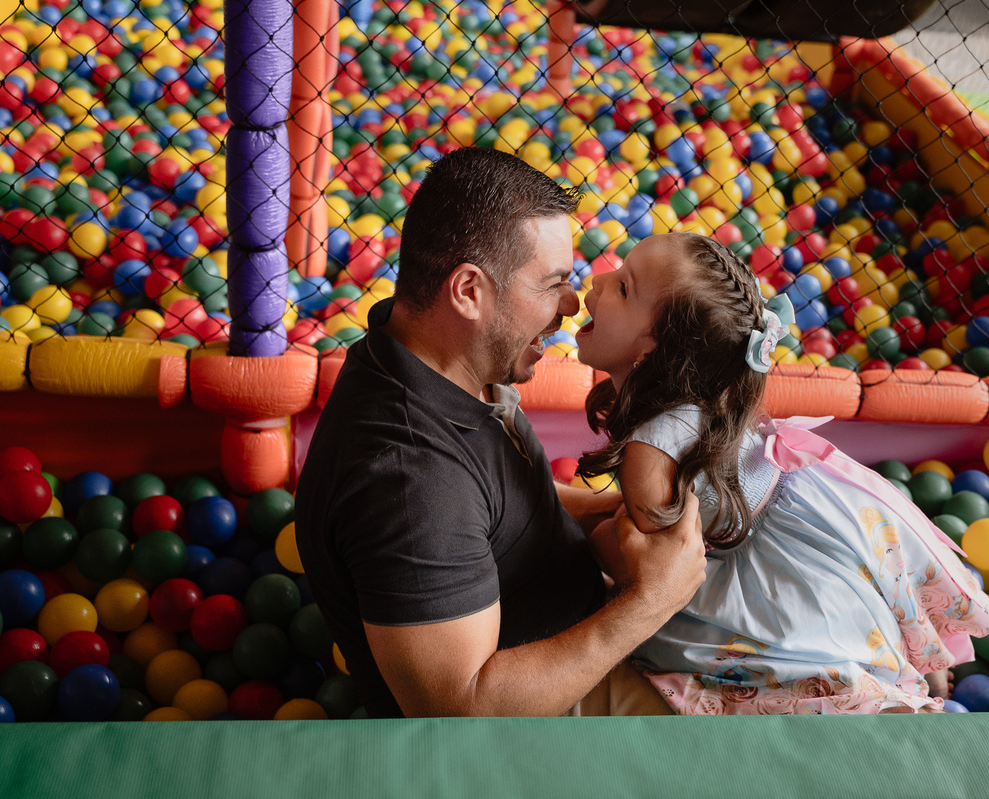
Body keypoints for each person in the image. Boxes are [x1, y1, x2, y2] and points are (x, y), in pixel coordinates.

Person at [293, 148, 707, 718]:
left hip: (577, 628)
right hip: (535, 721)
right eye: (552, 284)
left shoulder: (442, 359)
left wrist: (619, 510)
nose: (573, 301)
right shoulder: (411, 477)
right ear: (468, 291)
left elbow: (491, 504)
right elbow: (461, 708)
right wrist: (650, 602)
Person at [574, 232, 989, 714]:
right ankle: (901, 668)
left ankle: (890, 697)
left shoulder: (652, 453)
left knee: (807, 673)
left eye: (624, 288)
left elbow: (649, 563)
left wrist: (578, 541)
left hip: (770, 573)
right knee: (846, 631)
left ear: (652, 348)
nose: (599, 278)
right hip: (805, 538)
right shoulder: (701, 400)